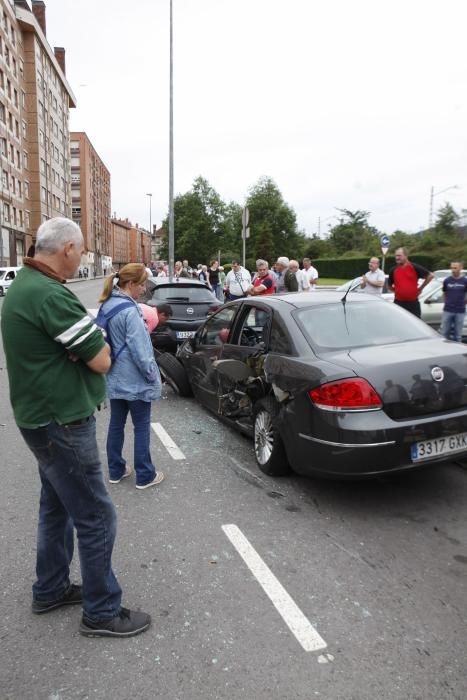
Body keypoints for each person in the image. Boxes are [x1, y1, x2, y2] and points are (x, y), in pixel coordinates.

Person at [0, 217, 151, 638]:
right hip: (62, 422)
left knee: (56, 505)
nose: (82, 257)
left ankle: (49, 588)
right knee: (96, 515)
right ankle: (102, 611)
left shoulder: (24, 288)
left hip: (40, 418)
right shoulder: (51, 296)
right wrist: (89, 348)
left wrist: (81, 348)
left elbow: (84, 348)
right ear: (67, 248)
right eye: (81, 250)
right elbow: (102, 358)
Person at [98, 264, 164, 491]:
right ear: (130, 284)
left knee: (116, 424)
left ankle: (116, 470)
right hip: (135, 380)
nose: (144, 289)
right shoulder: (130, 310)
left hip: (114, 376)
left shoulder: (107, 305)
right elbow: (141, 350)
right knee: (142, 426)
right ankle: (145, 474)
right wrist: (152, 375)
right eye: (142, 284)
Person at [388, 247, 433, 317]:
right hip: (399, 303)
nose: (397, 258)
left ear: (406, 256)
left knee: (415, 325)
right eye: (396, 256)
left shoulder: (414, 267)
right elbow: (389, 286)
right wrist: (398, 292)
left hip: (413, 305)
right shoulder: (393, 270)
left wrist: (420, 288)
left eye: (399, 255)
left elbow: (430, 276)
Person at [440, 262, 467, 342]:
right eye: (452, 268)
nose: (453, 270)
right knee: (444, 333)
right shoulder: (447, 281)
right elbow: (445, 292)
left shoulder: (465, 281)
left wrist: (463, 303)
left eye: (455, 268)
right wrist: (447, 302)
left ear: (460, 268)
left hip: (460, 311)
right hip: (448, 310)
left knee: (458, 335)